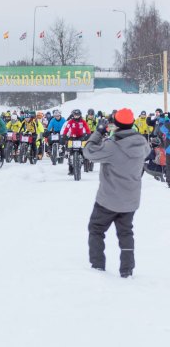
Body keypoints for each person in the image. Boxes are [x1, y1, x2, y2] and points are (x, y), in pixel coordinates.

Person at [83, 109, 150, 278]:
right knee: (126, 232)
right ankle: (127, 270)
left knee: (96, 229)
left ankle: (97, 266)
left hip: (108, 200)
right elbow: (147, 152)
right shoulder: (142, 143)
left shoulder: (112, 146)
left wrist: (98, 133)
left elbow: (89, 152)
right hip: (131, 200)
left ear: (116, 124)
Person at [61, 109, 91, 175]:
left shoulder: (83, 121)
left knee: (84, 150)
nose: (76, 116)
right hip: (73, 137)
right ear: (73, 115)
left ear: (80, 115)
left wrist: (88, 134)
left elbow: (87, 128)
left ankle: (86, 164)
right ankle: (71, 169)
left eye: (78, 115)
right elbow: (66, 129)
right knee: (70, 152)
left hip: (81, 137)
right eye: (75, 115)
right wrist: (64, 135)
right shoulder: (70, 122)